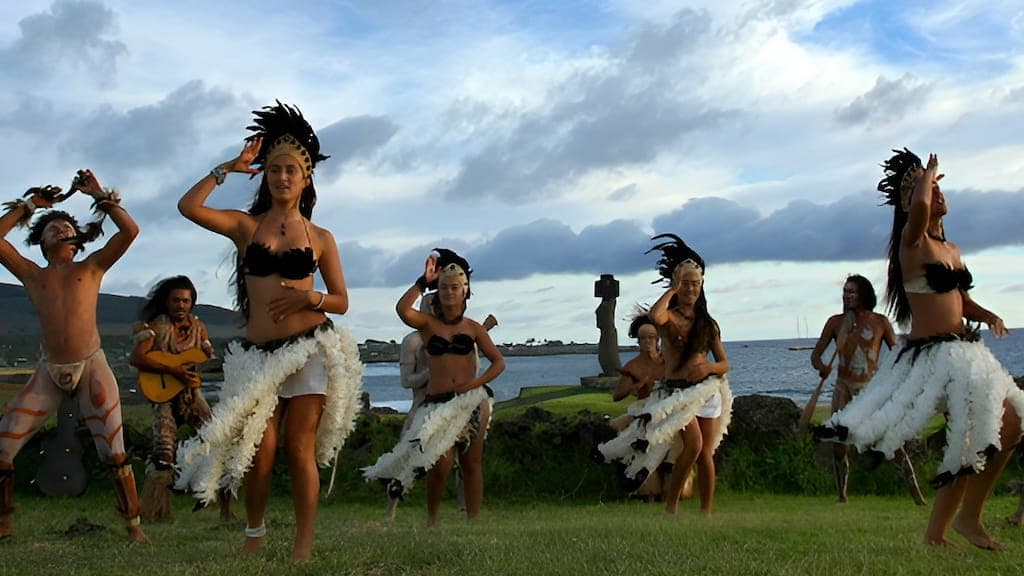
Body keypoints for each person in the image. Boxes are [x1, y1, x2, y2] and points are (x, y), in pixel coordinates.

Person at [174, 102, 363, 562]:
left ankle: (302, 544)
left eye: (292, 170)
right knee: (260, 447)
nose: (282, 177)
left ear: (306, 178)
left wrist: (308, 298)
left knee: (299, 447)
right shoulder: (246, 228)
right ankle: (254, 533)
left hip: (308, 350)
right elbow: (187, 206)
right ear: (265, 176)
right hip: (258, 355)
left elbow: (340, 299)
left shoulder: (321, 238)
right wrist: (228, 168)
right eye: (274, 169)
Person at [816, 149, 1024, 549]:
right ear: (906, 204)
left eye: (938, 185)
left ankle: (943, 529)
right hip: (935, 358)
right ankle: (967, 519)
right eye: (924, 190)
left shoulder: (951, 250)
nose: (934, 192)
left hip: (966, 349)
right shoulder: (912, 244)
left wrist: (990, 314)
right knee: (997, 425)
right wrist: (923, 176)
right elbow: (922, 206)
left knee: (1001, 428)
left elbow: (961, 300)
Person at [0, 172, 147, 542]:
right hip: (51, 368)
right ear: (40, 239)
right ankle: (3, 522)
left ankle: (133, 525)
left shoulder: (92, 267)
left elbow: (129, 232)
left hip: (91, 361)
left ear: (77, 239)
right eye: (51, 227)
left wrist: (99, 194)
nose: (59, 229)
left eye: (66, 225)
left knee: (113, 450)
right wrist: (30, 206)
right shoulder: (34, 276)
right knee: (4, 445)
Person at [364, 249, 505, 526]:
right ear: (437, 292)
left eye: (455, 287)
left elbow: (498, 363)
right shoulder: (428, 325)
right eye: (444, 288)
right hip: (436, 402)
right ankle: (432, 519)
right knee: (438, 463)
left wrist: (475, 384)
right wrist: (422, 282)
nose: (450, 293)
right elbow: (402, 310)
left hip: (472, 400)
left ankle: (473, 519)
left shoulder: (474, 328)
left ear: (465, 291)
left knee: (471, 463)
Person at [597, 234, 732, 517]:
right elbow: (655, 317)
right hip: (677, 394)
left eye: (695, 283)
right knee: (693, 445)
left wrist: (709, 368)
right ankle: (672, 506)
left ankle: (706, 512)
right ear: (677, 284)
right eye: (685, 283)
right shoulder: (670, 318)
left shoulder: (708, 323)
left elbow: (723, 363)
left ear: (702, 285)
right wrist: (672, 288)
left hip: (706, 391)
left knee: (706, 453)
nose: (690, 288)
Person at [810, 274, 926, 505]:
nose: (846, 295)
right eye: (845, 291)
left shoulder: (880, 322)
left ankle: (917, 496)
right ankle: (842, 496)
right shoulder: (835, 322)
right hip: (843, 390)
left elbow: (896, 354)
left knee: (893, 443)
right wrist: (822, 367)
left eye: (851, 291)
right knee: (839, 447)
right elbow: (815, 355)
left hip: (871, 391)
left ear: (863, 294)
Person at [129, 275, 236, 521]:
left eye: (185, 301)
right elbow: (137, 358)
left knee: (220, 443)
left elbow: (207, 356)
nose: (180, 305)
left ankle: (226, 511)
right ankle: (154, 512)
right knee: (163, 455)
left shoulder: (199, 328)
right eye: (176, 300)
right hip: (165, 398)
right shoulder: (156, 328)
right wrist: (173, 370)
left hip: (193, 397)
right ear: (166, 302)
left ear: (192, 303)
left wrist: (211, 363)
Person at [385, 292, 496, 520]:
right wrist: (434, 370)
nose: (436, 308)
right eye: (430, 304)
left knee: (464, 458)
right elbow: (407, 380)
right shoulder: (413, 340)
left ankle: (466, 509)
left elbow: (472, 369)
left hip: (457, 407)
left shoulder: (462, 332)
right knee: (406, 459)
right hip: (423, 406)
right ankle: (391, 511)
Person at [602, 311, 679, 501]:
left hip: (666, 410)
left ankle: (672, 478)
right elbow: (617, 396)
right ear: (638, 341)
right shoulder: (633, 366)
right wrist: (635, 387)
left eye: (651, 338)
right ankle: (643, 481)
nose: (647, 342)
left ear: (658, 339)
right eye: (643, 338)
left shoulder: (667, 361)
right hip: (643, 411)